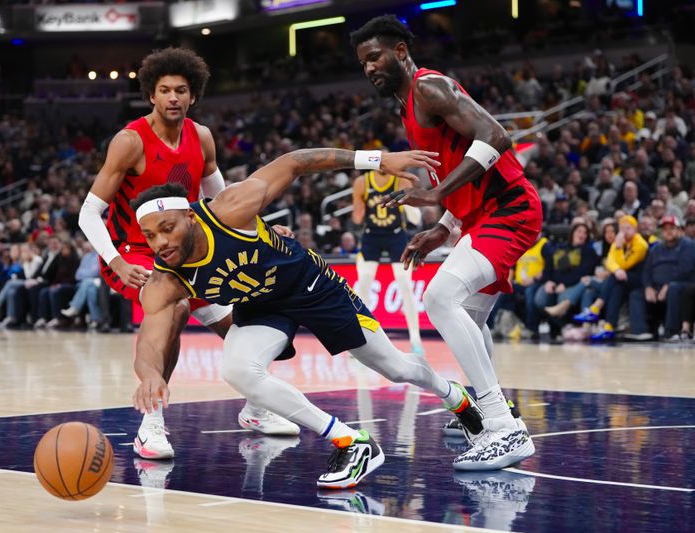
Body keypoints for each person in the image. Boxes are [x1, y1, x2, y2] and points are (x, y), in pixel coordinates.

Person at [131, 147, 489, 488]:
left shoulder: (230, 208)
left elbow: (295, 161)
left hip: (312, 287)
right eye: (150, 236)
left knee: (396, 368)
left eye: (167, 228)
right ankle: (350, 441)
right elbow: (150, 338)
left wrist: (376, 160)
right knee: (236, 369)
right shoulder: (165, 280)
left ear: (190, 215)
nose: (161, 242)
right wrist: (148, 376)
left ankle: (453, 395)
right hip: (261, 306)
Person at [77, 47, 297, 460]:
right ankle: (152, 424)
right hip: (136, 252)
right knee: (174, 310)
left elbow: (223, 201)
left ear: (193, 96)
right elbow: (89, 212)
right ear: (151, 96)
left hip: (189, 253)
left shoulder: (202, 137)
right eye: (164, 90)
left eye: (181, 90)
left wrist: (264, 230)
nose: (173, 98)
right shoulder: (129, 141)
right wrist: (116, 261)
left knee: (244, 323)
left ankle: (255, 408)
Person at [351, 15, 538, 469]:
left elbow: (496, 136)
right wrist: (444, 226)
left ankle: (502, 427)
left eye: (375, 56)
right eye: (362, 63)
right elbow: (462, 178)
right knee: (470, 316)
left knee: (439, 298)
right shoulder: (406, 107)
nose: (369, 68)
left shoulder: (428, 87)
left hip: (509, 211)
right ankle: (488, 409)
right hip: (480, 217)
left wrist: (434, 194)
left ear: (399, 51)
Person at [351, 167, 423, 353]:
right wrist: (358, 208)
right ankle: (360, 338)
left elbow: (415, 218)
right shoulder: (362, 182)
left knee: (405, 286)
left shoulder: (400, 180)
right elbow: (357, 219)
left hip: (396, 236)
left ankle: (415, 338)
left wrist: (408, 203)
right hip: (371, 236)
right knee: (364, 285)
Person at [574, 215, 649, 341]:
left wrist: (618, 248)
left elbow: (624, 264)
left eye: (628, 228)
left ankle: (595, 308)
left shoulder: (640, 244)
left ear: (635, 230)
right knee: (616, 287)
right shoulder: (619, 241)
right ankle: (609, 326)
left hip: (641, 279)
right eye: (622, 228)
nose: (624, 231)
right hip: (623, 279)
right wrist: (617, 267)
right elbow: (610, 261)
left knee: (613, 278)